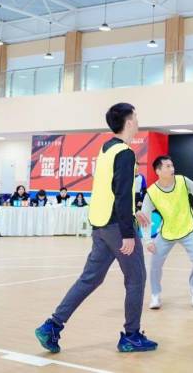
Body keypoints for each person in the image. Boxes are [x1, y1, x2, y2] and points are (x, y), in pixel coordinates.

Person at [35, 103, 157, 354]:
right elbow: (121, 193)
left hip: (101, 225)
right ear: (129, 122)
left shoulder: (106, 148)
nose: (138, 121)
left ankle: (52, 326)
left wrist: (132, 213)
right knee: (137, 278)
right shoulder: (125, 153)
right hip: (116, 227)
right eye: (135, 117)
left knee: (90, 278)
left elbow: (110, 189)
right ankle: (131, 336)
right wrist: (128, 233)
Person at [142, 156, 193, 309]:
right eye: (168, 166)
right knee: (155, 263)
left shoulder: (182, 181)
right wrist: (148, 240)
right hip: (167, 232)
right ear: (158, 171)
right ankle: (155, 295)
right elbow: (145, 217)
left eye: (172, 165)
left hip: (188, 228)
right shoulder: (152, 192)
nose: (172, 168)